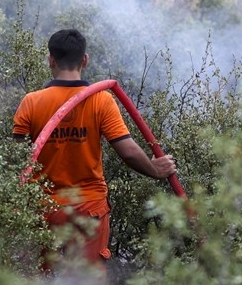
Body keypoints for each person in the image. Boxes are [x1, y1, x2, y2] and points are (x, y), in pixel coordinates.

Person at [13, 29, 177, 268]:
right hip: (88, 210)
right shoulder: (100, 100)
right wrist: (155, 170)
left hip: (44, 210)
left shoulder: (31, 102)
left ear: (51, 60)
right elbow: (128, 152)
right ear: (85, 60)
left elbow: (18, 160)